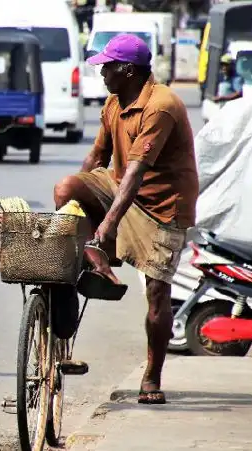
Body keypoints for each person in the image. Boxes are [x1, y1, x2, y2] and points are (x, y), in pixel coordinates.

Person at [53, 34, 198, 405]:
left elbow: (135, 172)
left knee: (156, 294)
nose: (101, 73)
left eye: (107, 67)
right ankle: (93, 261)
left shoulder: (160, 106)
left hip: (161, 206)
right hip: (118, 186)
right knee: (67, 186)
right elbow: (96, 158)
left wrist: (109, 224)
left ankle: (152, 375)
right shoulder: (114, 102)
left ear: (127, 70)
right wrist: (70, 215)